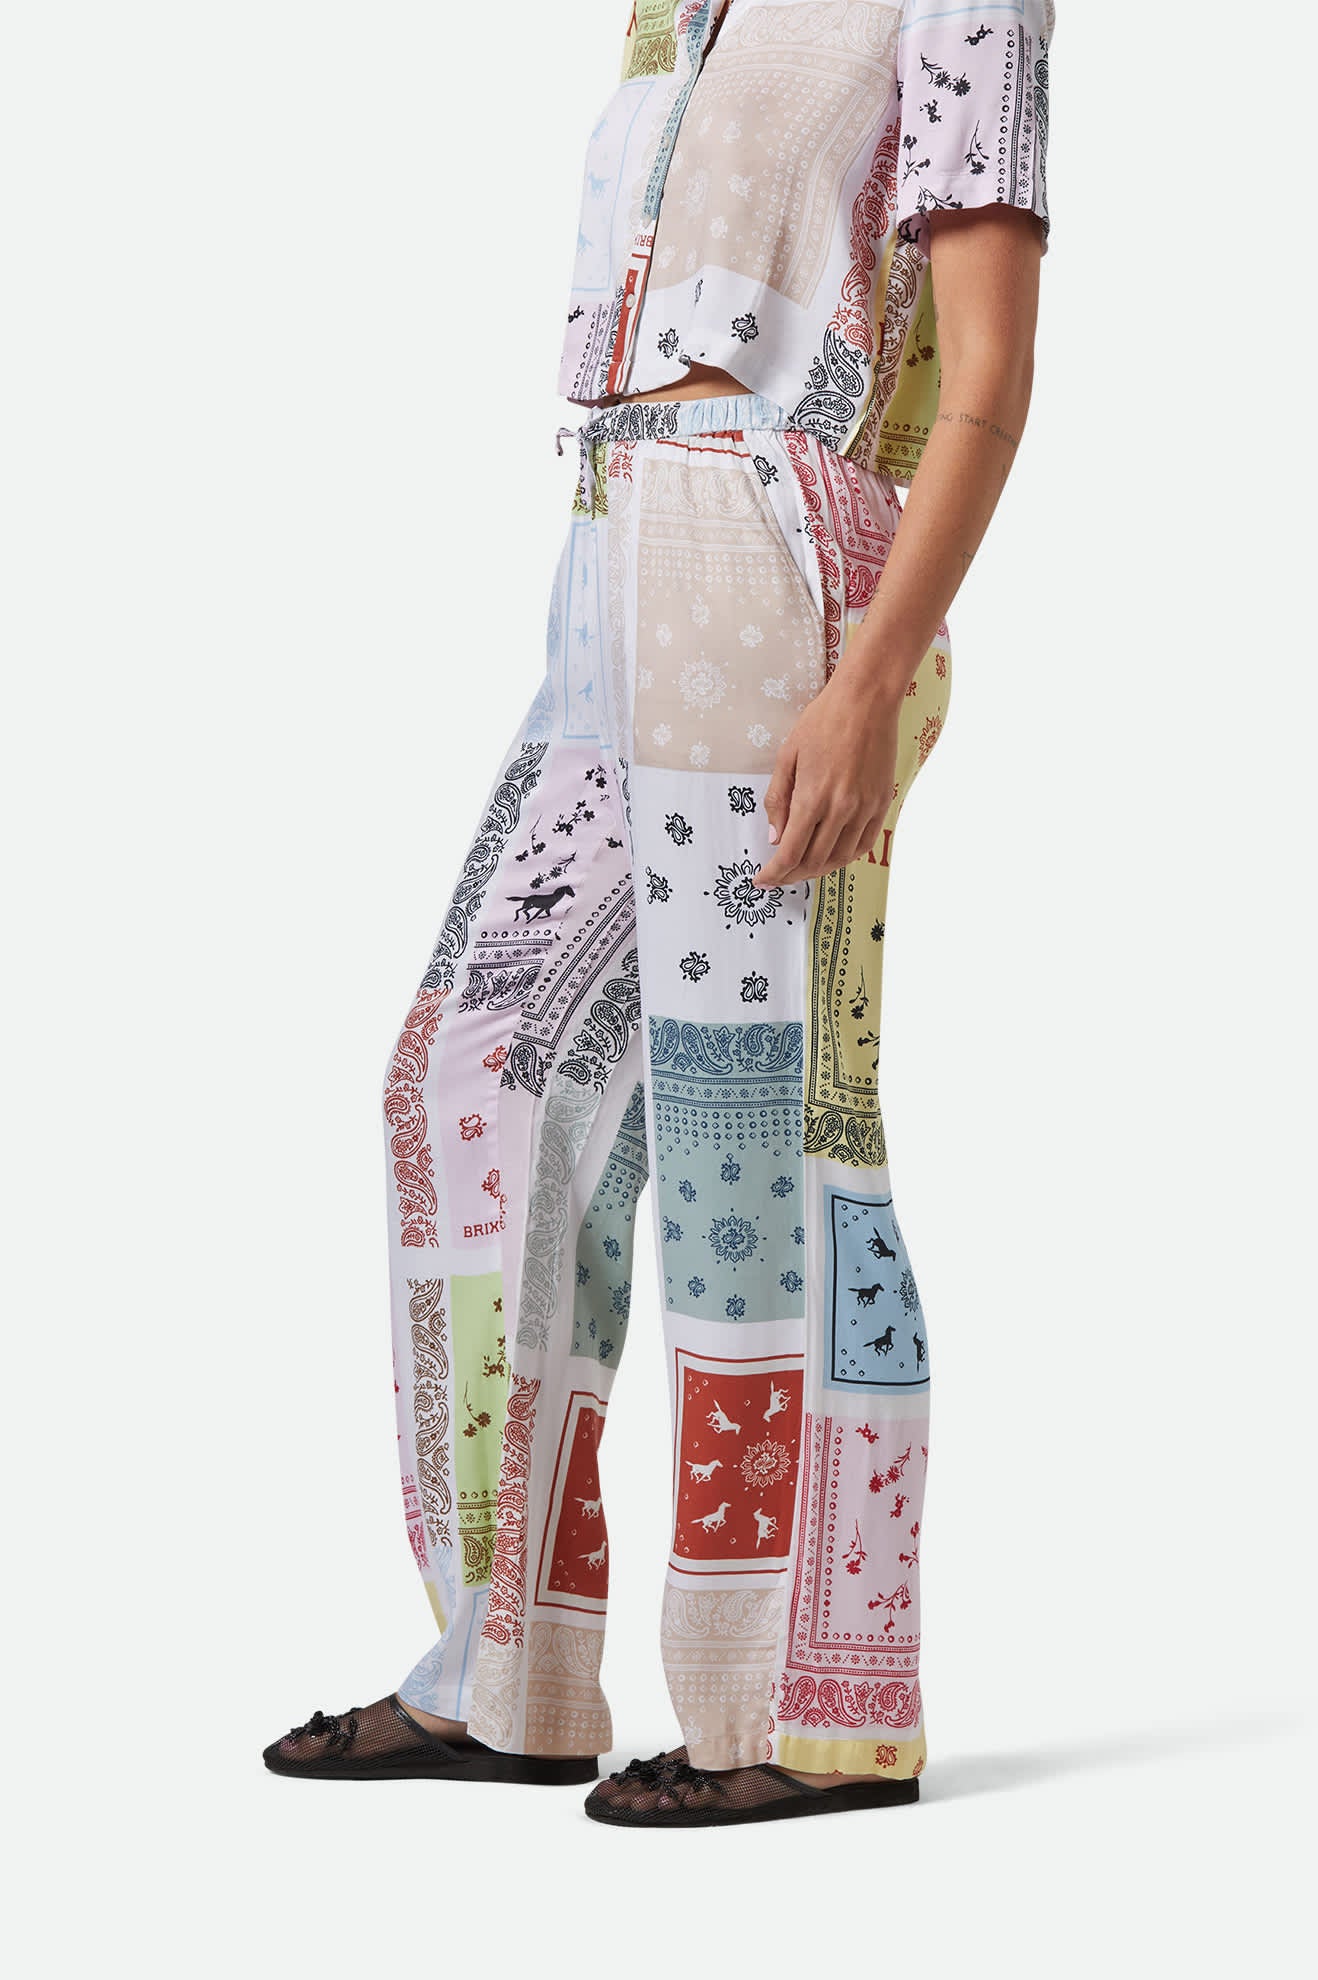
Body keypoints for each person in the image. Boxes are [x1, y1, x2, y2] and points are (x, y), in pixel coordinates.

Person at [263, 0, 1055, 1828]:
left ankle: (807, 1708)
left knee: (754, 1131)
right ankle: (509, 1677)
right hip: (609, 534)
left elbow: (990, 376)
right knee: (470, 1081)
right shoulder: (670, 7)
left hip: (771, 549)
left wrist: (870, 677)